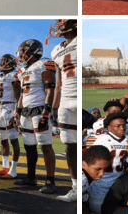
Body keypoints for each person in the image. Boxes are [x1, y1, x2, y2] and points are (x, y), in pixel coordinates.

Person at [14, 39, 58, 193]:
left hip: (39, 109)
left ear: (33, 51)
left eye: (23, 52)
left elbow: (50, 90)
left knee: (45, 146)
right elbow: (21, 94)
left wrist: (46, 112)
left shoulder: (43, 64)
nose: (21, 56)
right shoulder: (23, 71)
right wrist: (17, 112)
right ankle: (31, 177)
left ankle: (50, 181)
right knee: (29, 146)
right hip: (26, 111)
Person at [48, 20, 78, 203]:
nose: (58, 24)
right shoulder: (56, 50)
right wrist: (54, 106)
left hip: (78, 96)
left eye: (61, 20)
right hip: (65, 100)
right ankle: (75, 186)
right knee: (69, 145)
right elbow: (58, 83)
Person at [87, 113, 128, 214]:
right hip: (100, 184)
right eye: (118, 126)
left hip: (118, 184)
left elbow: (126, 166)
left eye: (124, 125)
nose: (122, 128)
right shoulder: (100, 140)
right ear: (109, 127)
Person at [0, 54, 21, 179]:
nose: (1, 64)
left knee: (13, 140)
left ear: (11, 64)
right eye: (1, 62)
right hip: (0, 110)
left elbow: (19, 95)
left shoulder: (14, 76)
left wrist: (18, 112)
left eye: (4, 62)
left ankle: (13, 170)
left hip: (10, 108)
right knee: (2, 140)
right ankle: (5, 167)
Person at [82, 145, 113, 214]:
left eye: (105, 169)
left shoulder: (88, 176)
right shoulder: (82, 181)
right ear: (84, 164)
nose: (102, 173)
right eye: (98, 169)